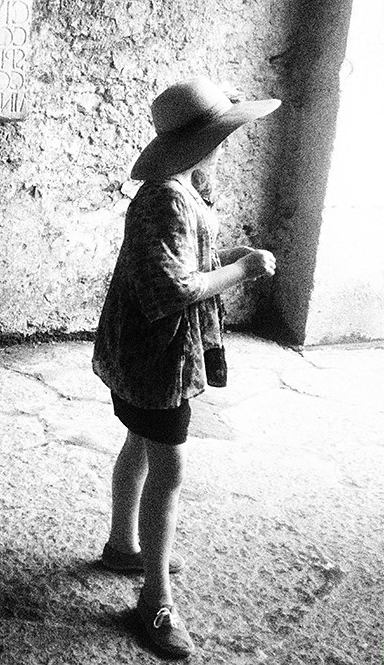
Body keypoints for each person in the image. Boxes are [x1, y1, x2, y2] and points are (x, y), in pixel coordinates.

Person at [91, 76, 280, 658]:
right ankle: (155, 598)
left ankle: (125, 545)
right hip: (158, 358)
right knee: (168, 470)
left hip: (143, 352)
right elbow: (173, 289)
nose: (224, 148)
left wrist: (228, 258)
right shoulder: (167, 198)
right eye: (221, 138)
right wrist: (244, 272)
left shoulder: (174, 191)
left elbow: (184, 262)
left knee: (139, 444)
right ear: (200, 143)